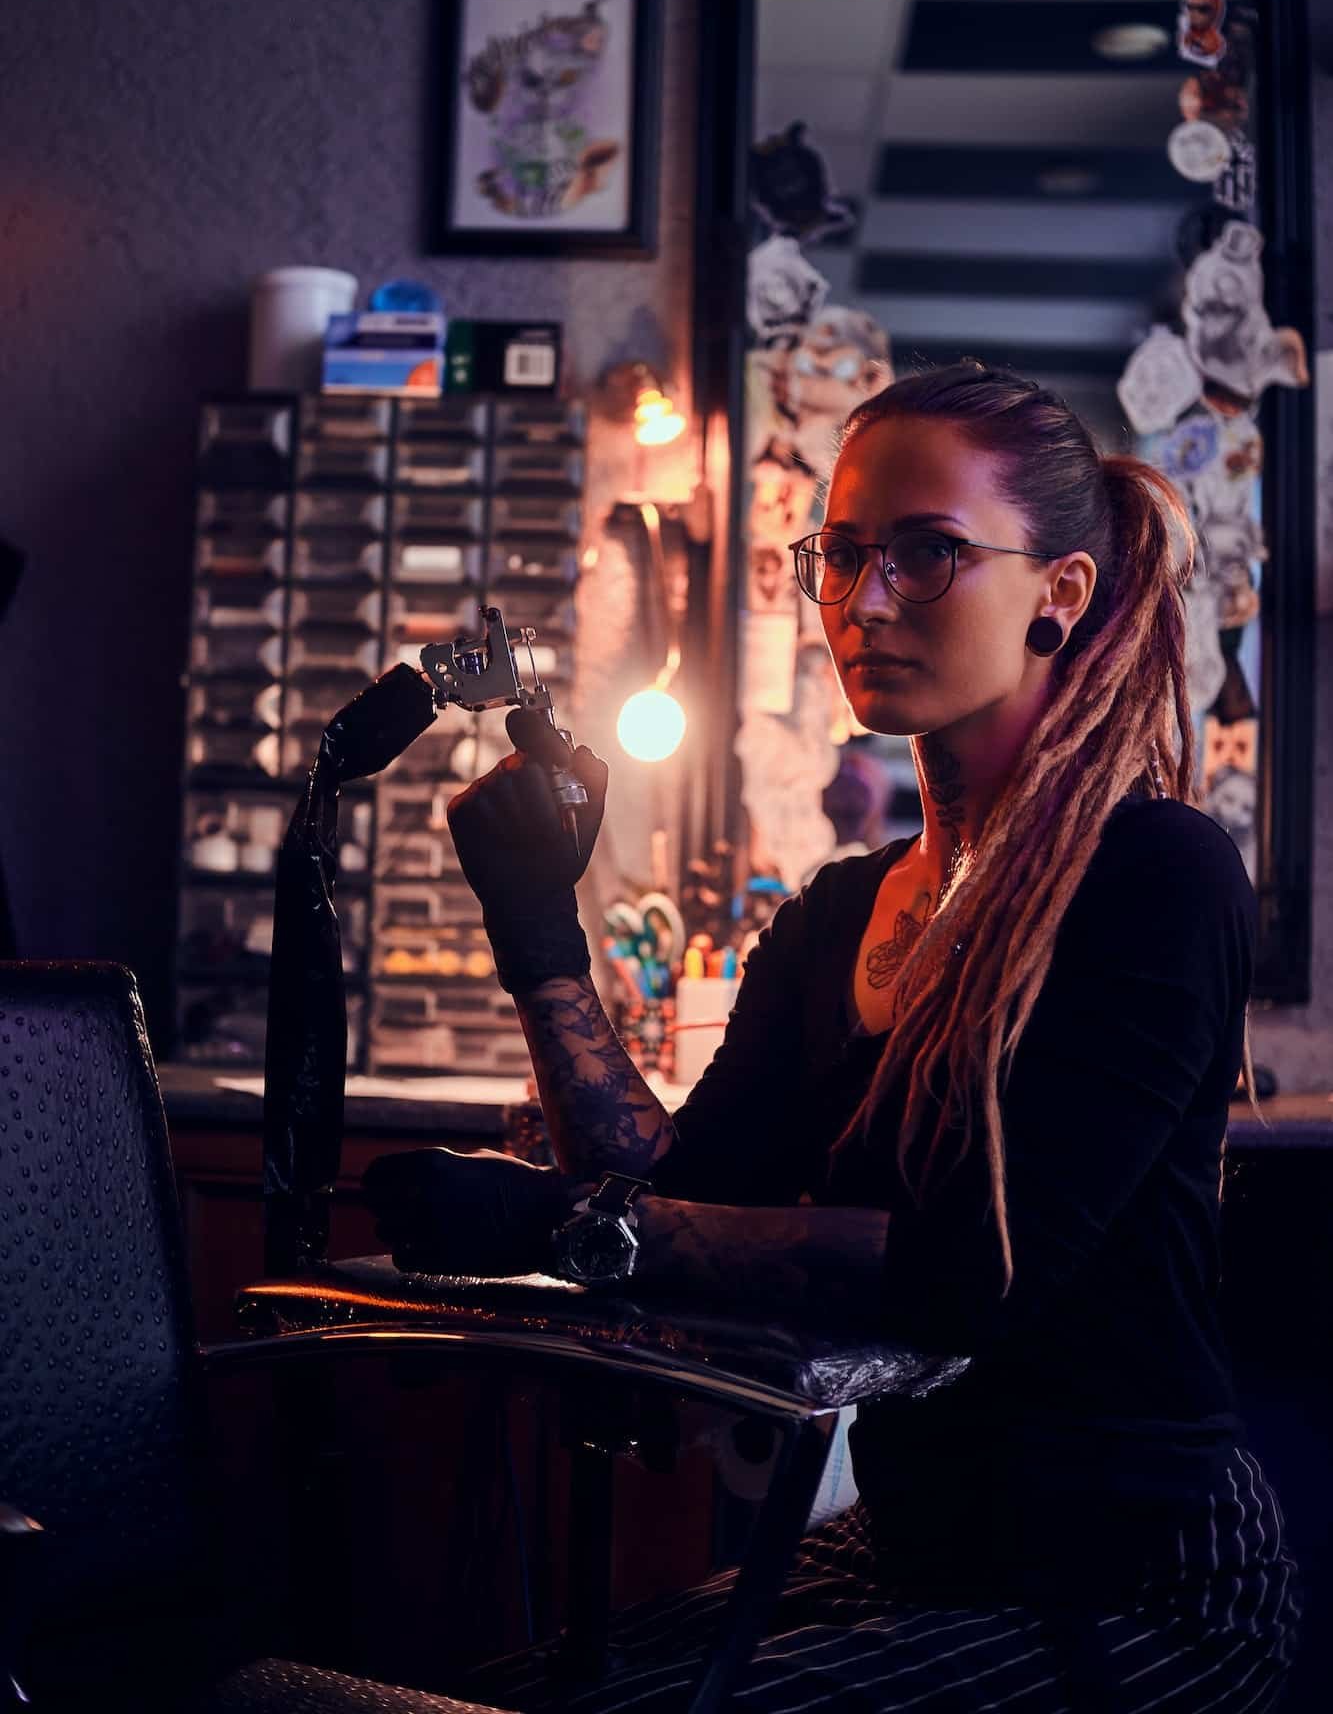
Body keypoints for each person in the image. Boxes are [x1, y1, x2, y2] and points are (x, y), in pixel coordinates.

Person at [364, 364, 1300, 1710]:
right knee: (503, 1691)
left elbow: (969, 1270)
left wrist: (558, 1223)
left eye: (927, 554)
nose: (860, 602)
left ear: (1060, 594)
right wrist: (539, 938)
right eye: (842, 555)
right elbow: (681, 1200)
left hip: (1132, 1577)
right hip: (918, 1547)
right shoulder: (840, 912)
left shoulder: (1152, 874)